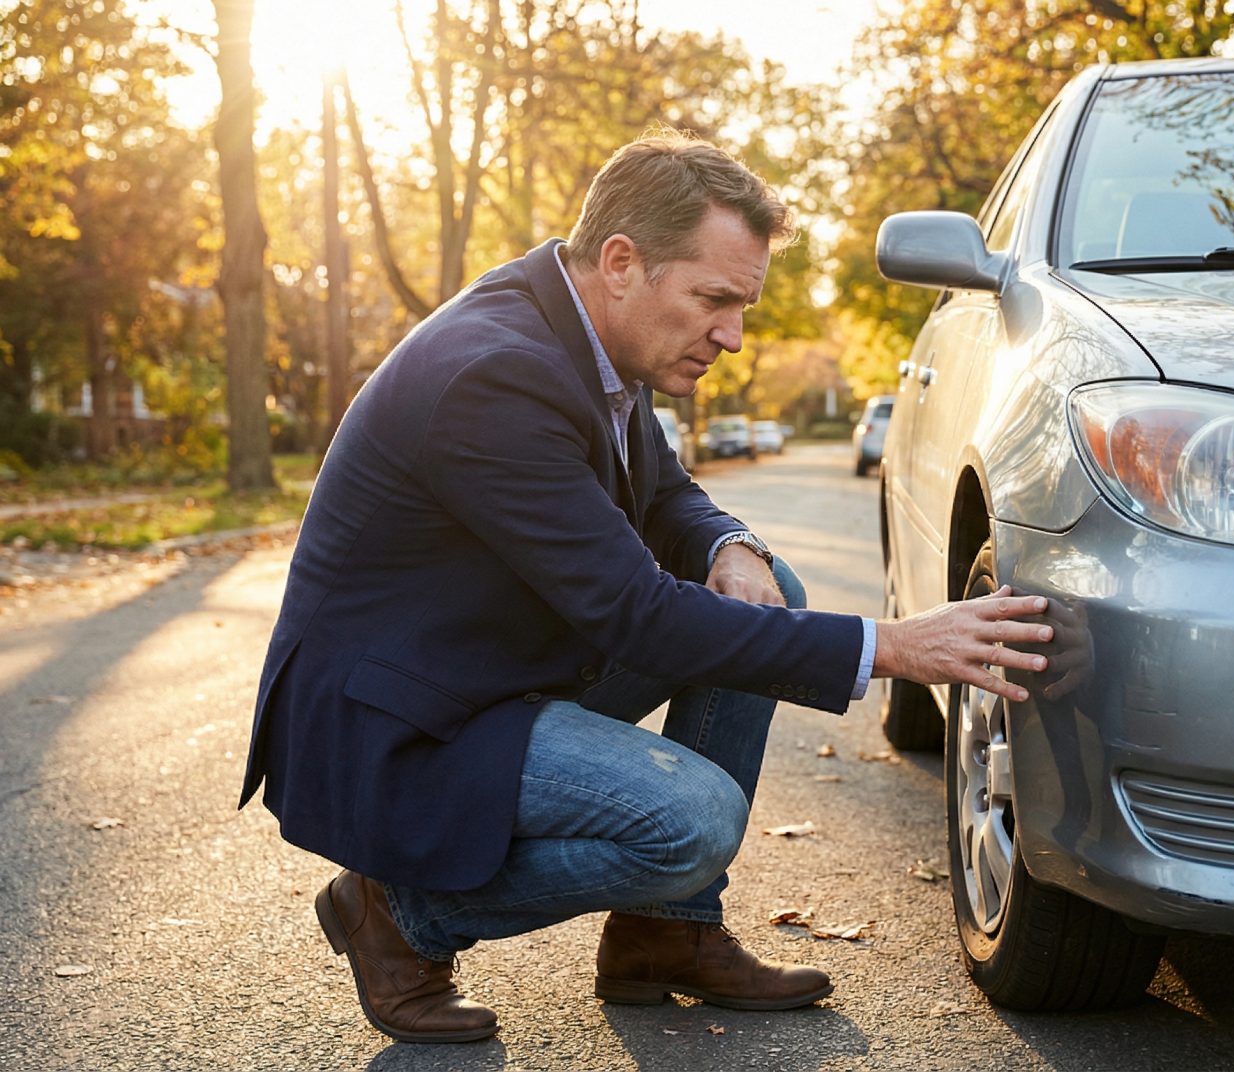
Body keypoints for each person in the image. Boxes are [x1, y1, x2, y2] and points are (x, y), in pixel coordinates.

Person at [237, 131, 1054, 1044]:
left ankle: (667, 936)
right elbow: (637, 617)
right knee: (693, 822)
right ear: (622, 262)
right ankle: (397, 915)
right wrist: (895, 646)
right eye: (714, 300)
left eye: (741, 306)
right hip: (401, 725)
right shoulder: (494, 375)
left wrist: (731, 543)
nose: (732, 338)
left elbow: (665, 492)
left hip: (486, 667)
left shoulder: (588, 335)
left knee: (764, 587)